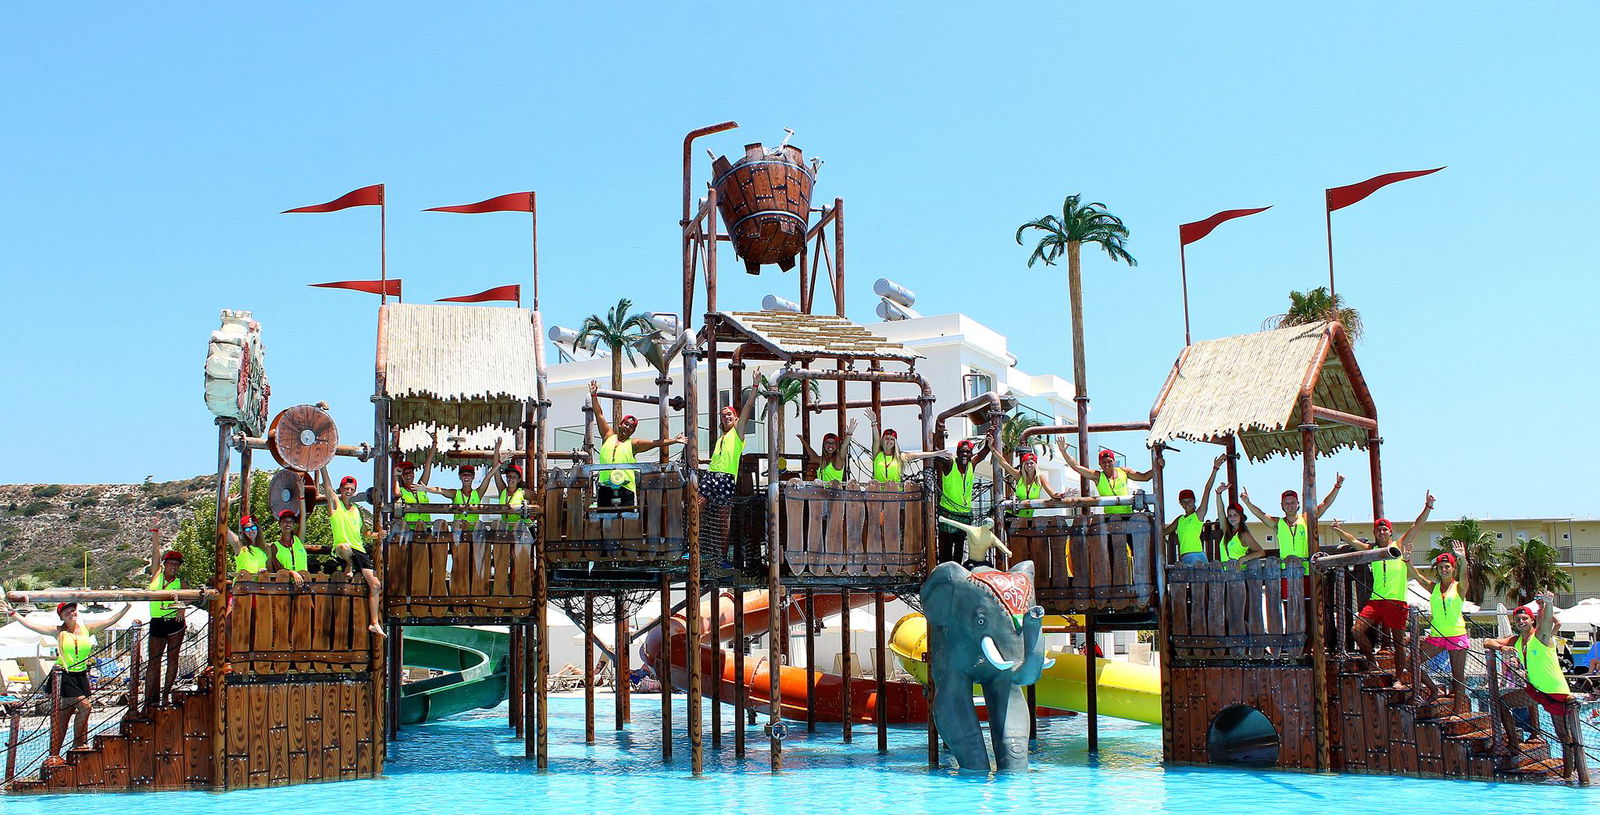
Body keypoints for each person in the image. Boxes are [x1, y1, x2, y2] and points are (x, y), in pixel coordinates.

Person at [3, 599, 129, 761]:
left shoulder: (87, 629)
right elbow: (33, 626)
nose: (72, 613)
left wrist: (127, 607)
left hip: (81, 676)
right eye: (67, 611)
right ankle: (78, 745)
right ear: (62, 617)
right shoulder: (59, 631)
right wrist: (14, 614)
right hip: (63, 674)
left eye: (74, 610)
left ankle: (54, 753)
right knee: (85, 707)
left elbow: (110, 620)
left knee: (65, 715)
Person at [1331, 492, 1435, 690]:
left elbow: (1416, 526)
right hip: (1376, 601)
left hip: (1396, 601)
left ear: (1390, 532)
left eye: (1384, 530)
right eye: (1378, 530)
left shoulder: (1400, 545)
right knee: (1356, 630)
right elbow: (1353, 542)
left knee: (1398, 643)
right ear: (1375, 533)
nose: (1381, 533)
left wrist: (1427, 508)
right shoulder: (1372, 549)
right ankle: (1371, 661)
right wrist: (1338, 530)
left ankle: (1399, 678)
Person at [1486, 594, 1578, 776]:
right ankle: (1514, 743)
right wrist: (1501, 647)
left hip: (1555, 692)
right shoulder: (1517, 640)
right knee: (1502, 702)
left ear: (1532, 620)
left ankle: (1568, 775)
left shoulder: (1541, 635)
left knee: (1563, 736)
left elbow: (1548, 622)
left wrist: (1548, 603)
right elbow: (1487, 641)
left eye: (1524, 618)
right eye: (1518, 619)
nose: (1521, 621)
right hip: (1535, 691)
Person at [589, 381, 687, 508]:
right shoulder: (608, 435)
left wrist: (674, 440)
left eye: (631, 427)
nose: (628, 427)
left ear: (633, 432)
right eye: (626, 424)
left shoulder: (633, 444)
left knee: (627, 521)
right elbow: (599, 414)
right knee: (604, 520)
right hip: (605, 486)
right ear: (620, 424)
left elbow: (656, 443)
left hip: (626, 488)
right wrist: (594, 396)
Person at [317, 468, 386, 637]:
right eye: (345, 488)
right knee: (345, 548)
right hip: (343, 548)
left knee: (376, 585)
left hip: (359, 550)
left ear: (354, 491)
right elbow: (327, 486)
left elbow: (365, 533)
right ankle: (349, 564)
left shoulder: (357, 510)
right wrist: (323, 465)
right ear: (340, 489)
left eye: (351, 489)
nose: (348, 491)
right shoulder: (335, 504)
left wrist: (378, 535)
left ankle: (374, 623)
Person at [1411, 541, 1471, 714]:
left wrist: (1463, 558)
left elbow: (1465, 576)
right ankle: (1434, 689)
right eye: (1440, 567)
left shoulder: (1459, 587)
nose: (1443, 570)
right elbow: (1418, 577)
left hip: (1457, 635)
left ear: (1453, 568)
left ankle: (1457, 711)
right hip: (1436, 636)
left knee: (1457, 676)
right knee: (1412, 662)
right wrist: (1408, 562)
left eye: (1447, 567)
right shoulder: (1434, 588)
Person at [1239, 473, 1345, 561]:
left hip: (1306, 570)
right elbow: (1261, 514)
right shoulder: (1277, 523)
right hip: (1286, 571)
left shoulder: (1306, 519)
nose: (1290, 505)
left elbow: (1325, 504)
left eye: (1292, 502)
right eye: (1286, 503)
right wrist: (1248, 503)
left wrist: (1337, 486)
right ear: (1282, 505)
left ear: (1298, 504)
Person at [935, 438, 990, 563]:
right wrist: (939, 452)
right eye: (962, 451)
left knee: (960, 549)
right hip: (948, 514)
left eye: (968, 452)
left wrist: (989, 437)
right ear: (957, 453)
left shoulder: (972, 464)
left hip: (964, 515)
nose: (965, 454)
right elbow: (936, 455)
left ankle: (958, 575)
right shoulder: (950, 464)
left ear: (971, 453)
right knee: (946, 550)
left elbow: (983, 452)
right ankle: (945, 576)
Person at [1057, 443, 1153, 515]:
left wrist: (1158, 465)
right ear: (1100, 464)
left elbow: (1145, 477)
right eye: (1103, 462)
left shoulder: (1124, 471)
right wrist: (1064, 452)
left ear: (1114, 461)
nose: (1107, 464)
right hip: (1109, 519)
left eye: (1109, 461)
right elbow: (1077, 467)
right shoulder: (1098, 476)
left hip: (1128, 516)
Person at [144, 549, 186, 709]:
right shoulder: (156, 577)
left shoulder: (180, 583)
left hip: (175, 624)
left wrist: (182, 605)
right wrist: (155, 533)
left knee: (172, 659)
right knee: (153, 662)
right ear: (165, 564)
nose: (174, 566)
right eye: (171, 563)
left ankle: (165, 696)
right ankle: (148, 700)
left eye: (177, 564)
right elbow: (155, 554)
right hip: (157, 622)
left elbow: (193, 596)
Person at [1165, 455, 1225, 564]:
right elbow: (1164, 532)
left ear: (1194, 501)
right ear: (1180, 504)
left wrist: (1215, 469)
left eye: (1189, 501)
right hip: (1185, 558)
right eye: (1183, 501)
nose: (1186, 504)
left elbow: (1207, 489)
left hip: (1196, 555)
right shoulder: (1180, 519)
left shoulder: (1198, 515)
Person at [867, 414, 949, 483]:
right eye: (886, 438)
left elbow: (918, 455)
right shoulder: (877, 453)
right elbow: (876, 440)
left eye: (892, 439)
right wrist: (874, 423)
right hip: (877, 494)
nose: (889, 441)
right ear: (883, 440)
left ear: (895, 442)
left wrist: (937, 454)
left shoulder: (900, 456)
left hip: (895, 493)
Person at [995, 450, 1064, 520]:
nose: (1029, 465)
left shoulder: (1040, 478)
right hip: (1012, 516)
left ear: (1035, 465)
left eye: (1031, 463)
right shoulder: (1019, 475)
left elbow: (1053, 494)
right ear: (1023, 465)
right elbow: (1004, 463)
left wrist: (1063, 495)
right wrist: (992, 449)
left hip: (1028, 518)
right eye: (1026, 463)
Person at [393, 432, 439, 528]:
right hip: (410, 530)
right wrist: (395, 476)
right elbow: (396, 493)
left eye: (410, 472)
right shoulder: (401, 490)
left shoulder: (421, 486)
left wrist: (434, 443)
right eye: (405, 473)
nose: (408, 475)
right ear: (402, 476)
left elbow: (428, 464)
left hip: (426, 528)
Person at [1214, 484, 1265, 563]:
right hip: (1226, 572)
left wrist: (1242, 559)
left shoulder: (1244, 534)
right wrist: (1218, 494)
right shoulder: (1227, 531)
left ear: (1241, 516)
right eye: (1230, 515)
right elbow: (1220, 511)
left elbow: (1260, 552)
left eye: (1235, 515)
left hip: (1239, 572)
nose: (1232, 518)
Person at [937, 516, 1011, 568]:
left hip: (984, 562)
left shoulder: (991, 536)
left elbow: (1000, 545)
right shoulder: (972, 530)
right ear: (984, 523)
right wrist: (945, 520)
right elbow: (959, 525)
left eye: (991, 525)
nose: (990, 526)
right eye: (989, 524)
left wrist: (1008, 552)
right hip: (971, 562)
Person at [271, 507, 310, 581]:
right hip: (285, 583)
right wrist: (292, 573)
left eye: (291, 521)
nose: (288, 523)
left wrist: (301, 496)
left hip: (304, 581)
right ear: (279, 524)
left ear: (294, 524)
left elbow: (303, 517)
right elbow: (278, 569)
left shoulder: (298, 539)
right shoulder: (275, 546)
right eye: (285, 521)